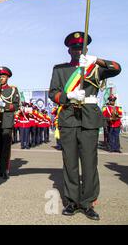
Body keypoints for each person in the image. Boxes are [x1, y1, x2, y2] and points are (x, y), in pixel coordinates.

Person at [48, 31, 121, 220]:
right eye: (74, 47)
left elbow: (117, 68)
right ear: (69, 50)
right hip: (69, 117)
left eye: (80, 47)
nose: (77, 50)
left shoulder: (95, 68)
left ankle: (88, 202)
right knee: (70, 162)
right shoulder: (60, 69)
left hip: (88, 117)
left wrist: (96, 60)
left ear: (86, 49)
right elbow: (52, 93)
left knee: (89, 163)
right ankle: (72, 201)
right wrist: (68, 96)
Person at [0, 66, 20, 179]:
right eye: (0, 77)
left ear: (7, 78)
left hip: (7, 121)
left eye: (3, 76)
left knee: (6, 147)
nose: (1, 79)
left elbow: (16, 106)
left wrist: (5, 105)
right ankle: (0, 170)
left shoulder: (12, 90)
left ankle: (5, 170)